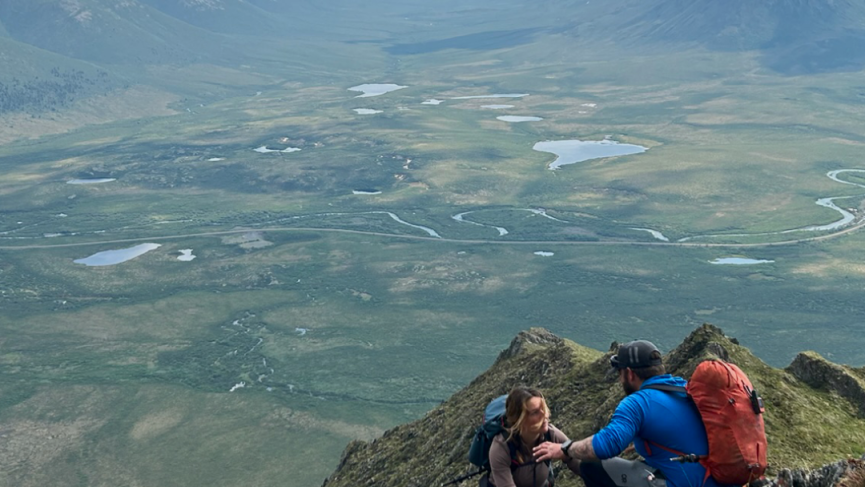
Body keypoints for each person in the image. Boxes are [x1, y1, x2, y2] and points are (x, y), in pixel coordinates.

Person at [533, 340, 736, 487]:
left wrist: (565, 449)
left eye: (620, 374)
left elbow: (605, 446)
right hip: (719, 479)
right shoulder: (685, 389)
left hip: (683, 483)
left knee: (591, 467)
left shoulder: (638, 402)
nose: (620, 381)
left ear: (629, 373)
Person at [486, 386, 581, 487]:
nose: (544, 414)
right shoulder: (501, 447)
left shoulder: (551, 434)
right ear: (519, 419)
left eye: (543, 408)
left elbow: (580, 465)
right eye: (535, 412)